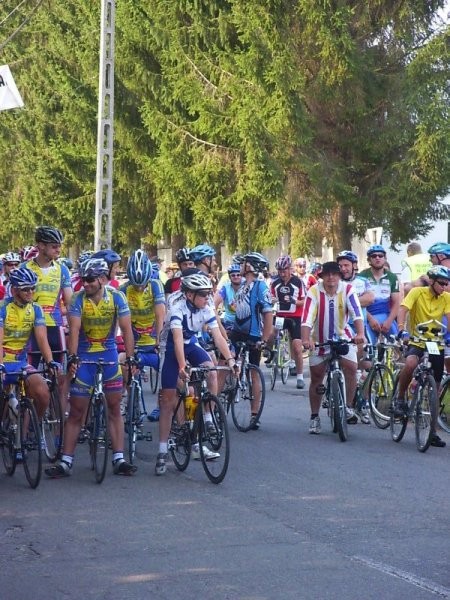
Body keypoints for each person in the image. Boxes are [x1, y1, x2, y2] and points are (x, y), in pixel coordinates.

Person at [45, 258, 137, 478]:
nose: (84, 284)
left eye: (89, 280)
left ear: (103, 279)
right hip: (85, 356)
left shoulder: (117, 297)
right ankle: (66, 461)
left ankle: (119, 458)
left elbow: (127, 330)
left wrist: (131, 358)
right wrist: (74, 357)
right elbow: (74, 331)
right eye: (83, 279)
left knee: (114, 407)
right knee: (77, 411)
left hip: (109, 356)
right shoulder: (77, 299)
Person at [155, 271, 236, 475]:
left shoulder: (206, 308)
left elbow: (218, 337)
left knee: (210, 369)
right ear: (190, 295)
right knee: (168, 399)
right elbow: (176, 340)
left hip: (190, 343)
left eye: (209, 293)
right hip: (171, 348)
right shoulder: (177, 308)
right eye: (203, 294)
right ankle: (162, 450)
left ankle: (208, 417)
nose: (208, 298)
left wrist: (232, 360)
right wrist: (182, 367)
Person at [301, 261, 365, 434]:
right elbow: (306, 318)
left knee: (351, 367)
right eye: (327, 274)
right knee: (316, 377)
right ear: (322, 277)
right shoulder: (314, 291)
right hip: (319, 340)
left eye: (334, 274)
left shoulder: (348, 289)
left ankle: (349, 406)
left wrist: (360, 334)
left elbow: (357, 313)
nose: (331, 277)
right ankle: (314, 417)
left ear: (339, 276)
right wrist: (306, 339)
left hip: (343, 337)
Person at [393, 265, 450, 448]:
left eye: (447, 284)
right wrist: (401, 329)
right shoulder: (417, 292)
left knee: (437, 384)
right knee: (410, 363)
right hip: (417, 339)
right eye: (441, 283)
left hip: (436, 342)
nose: (444, 287)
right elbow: (403, 309)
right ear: (432, 282)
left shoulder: (446, 298)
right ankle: (400, 398)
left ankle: (432, 432)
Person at [0, 268, 57, 424]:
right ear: (14, 290)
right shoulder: (3, 308)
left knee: (43, 393)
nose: (31, 292)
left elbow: (41, 338)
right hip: (3, 361)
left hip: (21, 363)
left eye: (33, 288)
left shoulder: (36, 309)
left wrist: (50, 360)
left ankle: (31, 428)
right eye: (26, 289)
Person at [229, 252, 273, 429]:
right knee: (226, 362)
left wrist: (264, 339)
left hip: (253, 335)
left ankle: (254, 414)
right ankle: (214, 402)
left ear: (250, 267)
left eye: (244, 263)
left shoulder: (260, 287)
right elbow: (235, 306)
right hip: (236, 332)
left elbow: (268, 313)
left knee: (254, 373)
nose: (241, 265)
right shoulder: (242, 286)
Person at [119, 250, 165, 421]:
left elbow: (160, 315)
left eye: (142, 284)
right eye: (135, 285)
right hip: (135, 342)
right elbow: (121, 322)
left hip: (154, 342)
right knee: (124, 364)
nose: (139, 288)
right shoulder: (123, 289)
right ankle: (133, 400)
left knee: (169, 373)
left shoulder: (155, 285)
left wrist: (160, 340)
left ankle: (162, 407)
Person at [336, 250, 375, 423]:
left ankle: (363, 404)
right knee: (346, 367)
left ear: (354, 266)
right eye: (340, 265)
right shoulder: (334, 282)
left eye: (346, 265)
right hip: (341, 328)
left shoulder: (362, 281)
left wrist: (349, 300)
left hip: (359, 327)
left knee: (366, 368)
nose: (343, 268)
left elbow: (370, 298)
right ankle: (345, 404)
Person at [270, 255, 306, 389]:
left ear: (290, 269)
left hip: (294, 317)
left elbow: (305, 301)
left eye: (284, 270)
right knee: (271, 333)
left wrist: (294, 301)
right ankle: (270, 352)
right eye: (279, 270)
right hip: (280, 315)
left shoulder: (298, 282)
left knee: (297, 347)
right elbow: (270, 297)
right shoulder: (274, 283)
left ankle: (300, 376)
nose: (282, 273)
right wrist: (272, 300)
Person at [358, 245, 400, 345]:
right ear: (369, 260)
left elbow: (396, 303)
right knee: (367, 349)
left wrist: (389, 321)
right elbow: (357, 303)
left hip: (386, 316)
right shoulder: (361, 276)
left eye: (380, 256)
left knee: (398, 345)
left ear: (385, 259)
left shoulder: (392, 277)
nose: (377, 258)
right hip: (367, 316)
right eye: (374, 256)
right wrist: (371, 319)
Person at [214, 262, 243, 332]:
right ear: (229, 277)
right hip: (229, 323)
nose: (236, 277)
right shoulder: (225, 288)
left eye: (238, 275)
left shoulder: (247, 287)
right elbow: (214, 305)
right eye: (233, 275)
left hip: (244, 322)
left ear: (242, 276)